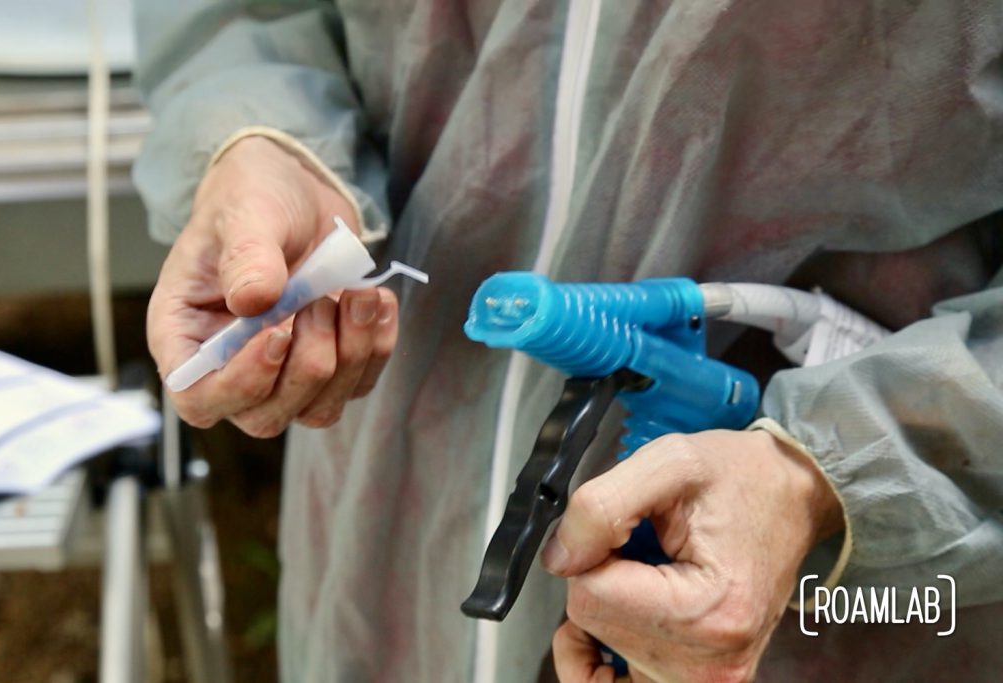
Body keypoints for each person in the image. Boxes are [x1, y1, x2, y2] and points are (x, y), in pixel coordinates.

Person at [133, 1, 1003, 681]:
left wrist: (834, 464)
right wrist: (263, 138)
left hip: (861, 606)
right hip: (385, 538)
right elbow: (235, 13)